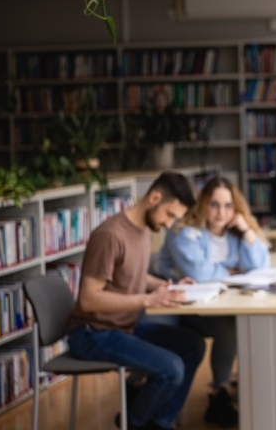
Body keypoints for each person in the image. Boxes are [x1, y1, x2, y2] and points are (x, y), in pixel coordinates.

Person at [66, 172, 204, 430]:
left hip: (123, 326)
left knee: (193, 346)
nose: (168, 224)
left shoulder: (144, 229)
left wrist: (168, 287)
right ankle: (134, 424)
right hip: (92, 333)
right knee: (171, 368)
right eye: (170, 215)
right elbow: (88, 300)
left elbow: (134, 275)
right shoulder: (110, 235)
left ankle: (159, 422)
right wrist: (149, 299)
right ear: (154, 198)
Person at [155, 176, 270, 428]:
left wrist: (247, 229)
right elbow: (199, 274)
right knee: (230, 326)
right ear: (203, 203)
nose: (221, 212)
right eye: (214, 204)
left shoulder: (234, 234)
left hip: (214, 304)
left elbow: (260, 267)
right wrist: (231, 272)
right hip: (179, 306)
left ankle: (221, 394)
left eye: (228, 206)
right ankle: (217, 395)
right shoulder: (183, 230)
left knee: (234, 324)